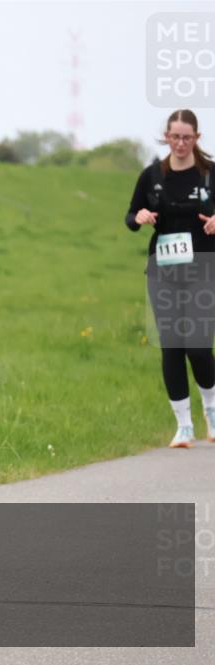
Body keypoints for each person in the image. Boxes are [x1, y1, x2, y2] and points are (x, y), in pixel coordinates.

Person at [126, 109, 215, 448]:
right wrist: (142, 216)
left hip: (203, 267)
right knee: (172, 345)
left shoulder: (210, 175)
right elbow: (130, 216)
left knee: (197, 345)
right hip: (163, 269)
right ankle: (183, 425)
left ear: (197, 138)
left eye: (187, 137)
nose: (180, 143)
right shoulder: (151, 176)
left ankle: (211, 407)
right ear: (166, 136)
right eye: (175, 137)